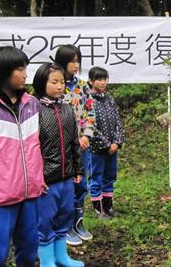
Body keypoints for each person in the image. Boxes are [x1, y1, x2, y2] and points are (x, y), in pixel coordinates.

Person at [0, 46, 44, 266]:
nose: (25, 74)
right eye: (19, 69)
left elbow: (38, 145)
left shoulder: (33, 105)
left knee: (28, 250)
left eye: (25, 68)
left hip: (29, 193)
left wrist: (38, 177)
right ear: (2, 71)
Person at [33, 63, 85, 267]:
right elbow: (31, 148)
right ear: (41, 83)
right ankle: (47, 261)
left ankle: (61, 256)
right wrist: (37, 177)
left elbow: (74, 141)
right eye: (54, 82)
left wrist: (78, 168)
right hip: (46, 178)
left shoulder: (66, 108)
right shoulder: (33, 108)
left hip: (66, 175)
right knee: (45, 220)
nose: (59, 86)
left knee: (65, 214)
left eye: (62, 82)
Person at [54, 44, 96, 245]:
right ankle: (65, 225)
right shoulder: (55, 86)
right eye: (72, 60)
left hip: (83, 145)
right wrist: (72, 139)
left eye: (77, 60)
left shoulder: (82, 85)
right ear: (62, 62)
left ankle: (78, 222)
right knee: (66, 185)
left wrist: (87, 136)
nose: (76, 64)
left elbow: (90, 112)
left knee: (81, 184)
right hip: (63, 146)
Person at [86, 66, 125, 218]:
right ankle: (99, 210)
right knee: (96, 177)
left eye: (105, 79)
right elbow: (90, 126)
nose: (103, 82)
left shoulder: (109, 99)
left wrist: (116, 142)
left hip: (112, 148)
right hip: (96, 148)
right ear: (91, 81)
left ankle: (108, 207)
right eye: (99, 79)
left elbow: (118, 123)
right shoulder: (88, 101)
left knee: (109, 177)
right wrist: (106, 144)